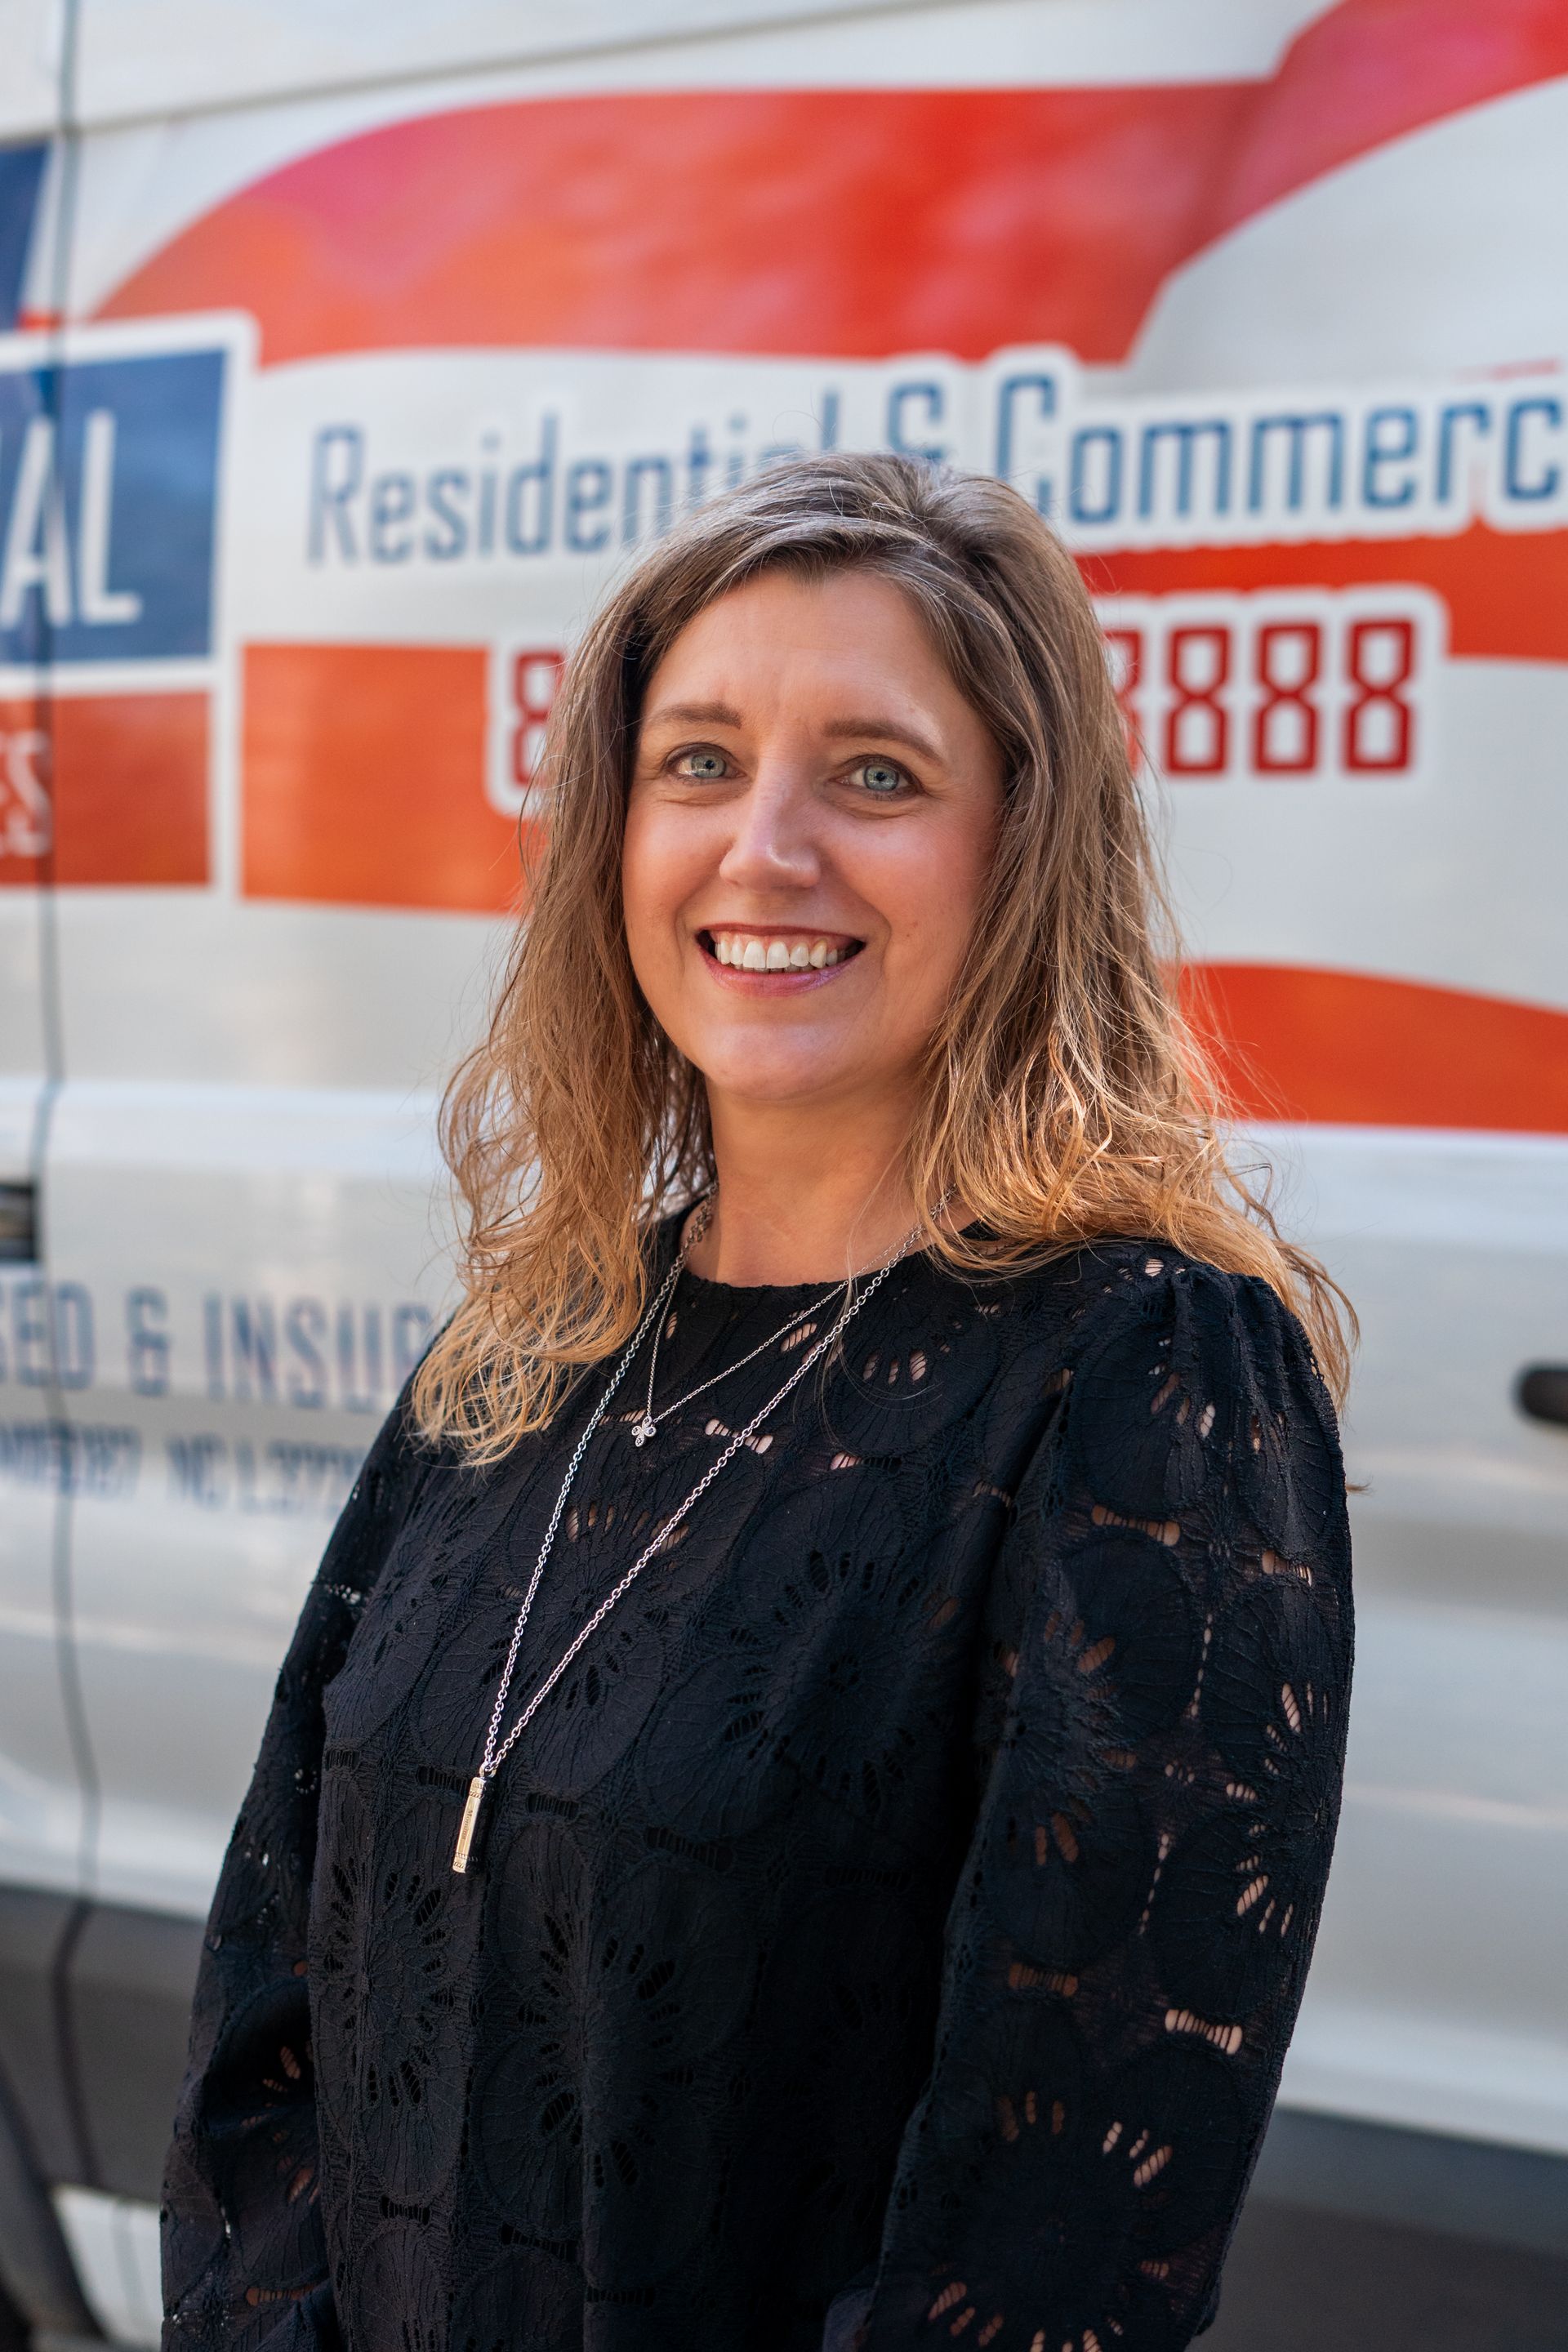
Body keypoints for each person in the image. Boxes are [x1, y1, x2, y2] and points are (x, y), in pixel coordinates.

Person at [161, 454, 1353, 2352]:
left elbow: (1043, 2256)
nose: (765, 848)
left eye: (875, 775)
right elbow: (262, 2027)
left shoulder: (1141, 1379)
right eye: (698, 763)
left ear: (1022, 850)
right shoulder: (534, 1346)